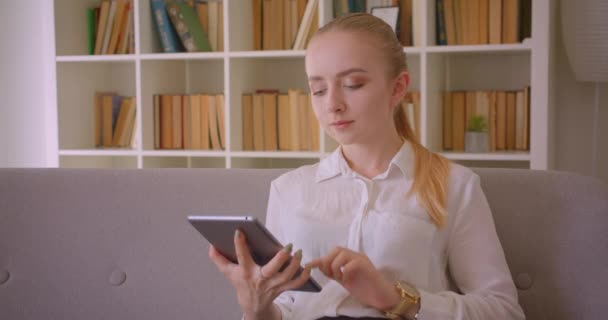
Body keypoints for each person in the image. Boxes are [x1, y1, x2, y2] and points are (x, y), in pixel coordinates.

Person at [209, 13, 525, 320]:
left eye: (353, 84)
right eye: (318, 89)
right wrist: (256, 309)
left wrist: (392, 297)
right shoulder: (288, 190)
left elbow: (503, 311)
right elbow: (284, 309)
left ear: (398, 87)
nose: (332, 103)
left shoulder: (454, 185)